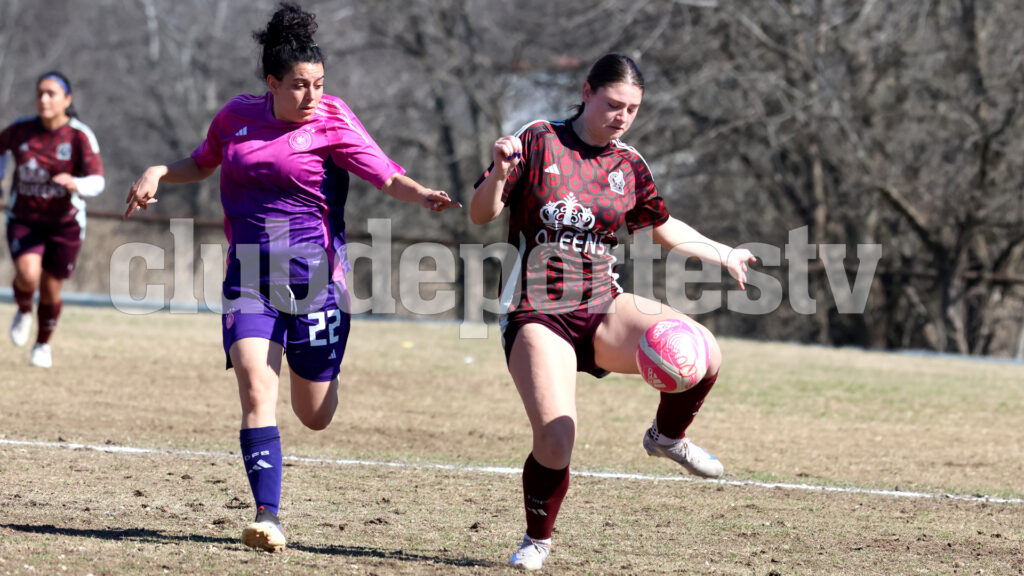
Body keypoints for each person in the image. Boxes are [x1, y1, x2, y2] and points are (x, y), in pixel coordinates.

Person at [125, 2, 459, 553]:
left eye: (320, 84)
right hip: (249, 277)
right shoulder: (236, 117)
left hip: (317, 284)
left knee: (315, 415)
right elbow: (203, 161)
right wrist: (160, 170)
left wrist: (422, 194)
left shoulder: (334, 120)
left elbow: (385, 173)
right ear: (272, 83)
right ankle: (267, 515)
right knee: (257, 386)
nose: (313, 96)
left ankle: (324, 371)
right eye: (300, 86)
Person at [469, 53, 756, 570]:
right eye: (612, 104)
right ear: (587, 92)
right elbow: (481, 213)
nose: (621, 116)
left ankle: (667, 437)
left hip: (602, 304)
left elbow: (662, 228)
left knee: (703, 352)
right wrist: (499, 174)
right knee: (557, 436)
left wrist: (725, 253)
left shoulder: (628, 164)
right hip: (536, 311)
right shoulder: (537, 139)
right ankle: (538, 540)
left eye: (632, 108)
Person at [1, 71, 105, 368]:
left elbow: (98, 181)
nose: (43, 99)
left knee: (50, 288)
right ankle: (23, 309)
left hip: (65, 223)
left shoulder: (78, 135)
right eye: (39, 93)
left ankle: (42, 345)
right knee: (28, 274)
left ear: (67, 99)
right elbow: (1, 150)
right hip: (25, 218)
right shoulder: (21, 130)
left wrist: (76, 183)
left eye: (51, 94)